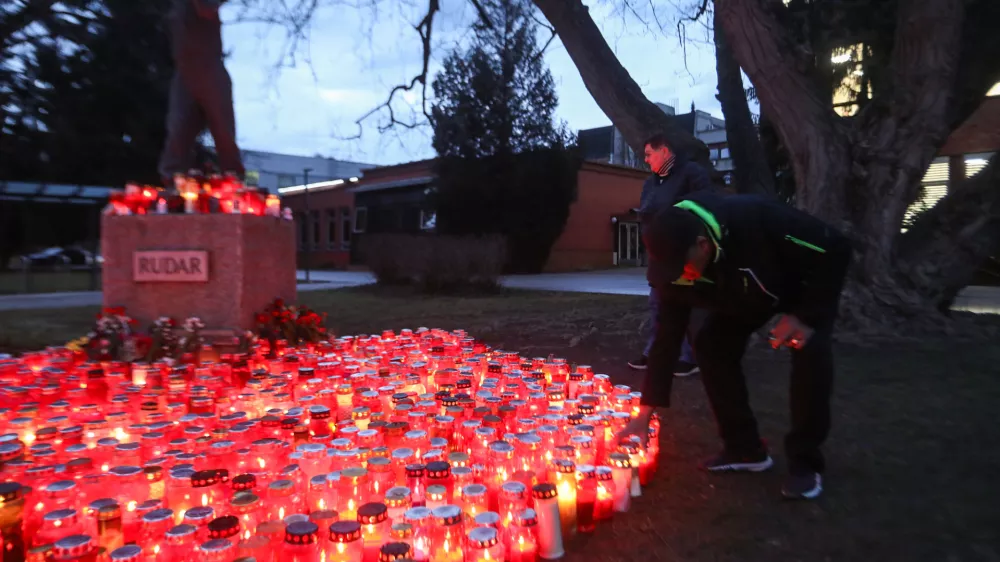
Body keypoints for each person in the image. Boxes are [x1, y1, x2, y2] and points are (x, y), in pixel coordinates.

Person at [616, 189, 852, 500]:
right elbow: (666, 341)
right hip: (743, 296)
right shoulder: (673, 275)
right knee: (712, 346)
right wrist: (644, 414)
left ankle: (806, 462)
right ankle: (745, 449)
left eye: (682, 268)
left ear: (702, 245)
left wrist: (805, 317)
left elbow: (836, 248)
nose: (680, 279)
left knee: (809, 354)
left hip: (801, 290)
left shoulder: (756, 219)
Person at [627, 133, 713, 377]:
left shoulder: (692, 174)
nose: (646, 160)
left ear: (664, 151)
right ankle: (657, 352)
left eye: (648, 154)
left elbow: (704, 205)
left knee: (687, 303)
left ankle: (691, 356)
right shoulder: (651, 182)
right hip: (659, 252)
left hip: (686, 250)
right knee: (658, 304)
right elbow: (647, 209)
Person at [159, 0, 245, 186]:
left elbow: (207, 10)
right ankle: (172, 178)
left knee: (223, 130)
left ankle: (233, 178)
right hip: (184, 72)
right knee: (177, 127)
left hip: (209, 68)